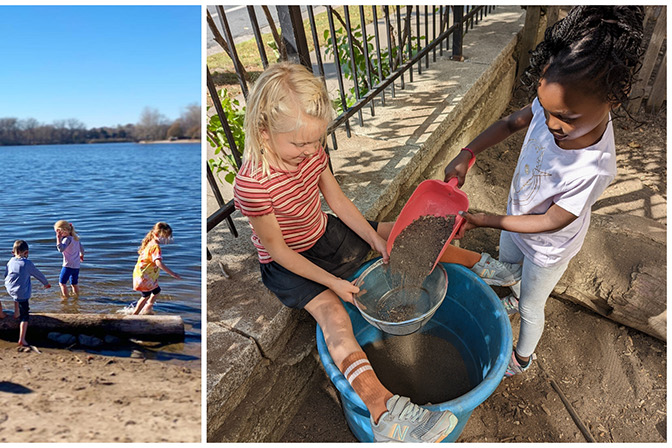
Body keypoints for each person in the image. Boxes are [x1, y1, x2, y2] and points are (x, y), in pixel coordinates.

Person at [231, 62, 456, 442]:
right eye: (298, 144)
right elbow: (280, 252)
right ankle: (384, 412)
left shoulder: (313, 154)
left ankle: (483, 264)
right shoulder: (254, 186)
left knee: (402, 234)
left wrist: (374, 240)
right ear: (264, 133)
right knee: (334, 315)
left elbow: (336, 199)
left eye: (315, 141)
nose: (308, 151)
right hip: (287, 263)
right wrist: (334, 283)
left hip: (323, 233)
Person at [443, 6, 646, 378]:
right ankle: (512, 295)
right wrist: (467, 153)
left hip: (548, 248)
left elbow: (553, 220)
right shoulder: (556, 100)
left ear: (614, 98)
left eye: (566, 118)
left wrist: (485, 220)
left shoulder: (594, 166)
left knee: (534, 307)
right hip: (515, 219)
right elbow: (509, 122)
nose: (550, 123)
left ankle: (520, 359)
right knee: (508, 269)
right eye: (545, 108)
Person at [5, 240, 52, 349]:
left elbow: (6, 274)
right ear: (26, 252)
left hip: (10, 289)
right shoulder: (27, 263)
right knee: (25, 315)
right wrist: (46, 283)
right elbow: (38, 274)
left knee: (17, 294)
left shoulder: (10, 261)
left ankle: (16, 313)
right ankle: (22, 338)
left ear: (13, 252)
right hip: (21, 293)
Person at [130, 222, 182, 315]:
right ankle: (135, 314)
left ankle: (148, 307)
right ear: (157, 234)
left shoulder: (150, 242)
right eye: (165, 237)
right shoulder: (155, 247)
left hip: (143, 274)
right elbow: (158, 263)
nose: (166, 239)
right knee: (145, 295)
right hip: (145, 276)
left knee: (156, 291)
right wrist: (172, 273)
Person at [54, 220, 84, 299]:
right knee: (74, 283)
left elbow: (61, 249)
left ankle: (65, 298)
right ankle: (76, 297)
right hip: (76, 266)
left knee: (62, 283)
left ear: (63, 231)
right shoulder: (76, 239)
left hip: (68, 265)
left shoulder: (67, 239)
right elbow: (82, 249)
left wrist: (58, 239)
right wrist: (81, 255)